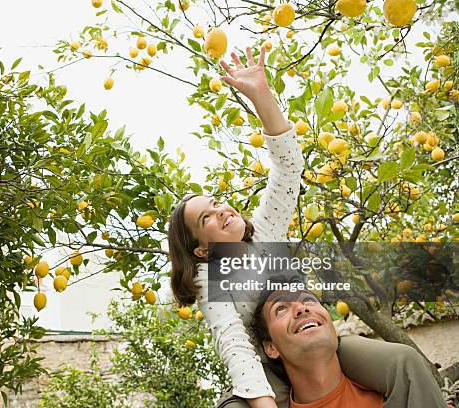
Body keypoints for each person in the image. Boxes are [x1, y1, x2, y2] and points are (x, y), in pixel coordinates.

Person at [167, 45, 447, 408]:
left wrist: (261, 95)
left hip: (310, 337)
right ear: (202, 249)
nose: (221, 211)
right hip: (265, 363)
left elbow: (287, 168)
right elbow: (233, 341)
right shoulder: (210, 280)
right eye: (206, 217)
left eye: (217, 202)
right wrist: (263, 402)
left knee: (404, 363)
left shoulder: (266, 232)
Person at [250, 284, 447, 407]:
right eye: (281, 308)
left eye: (308, 300)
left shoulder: (405, 393)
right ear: (271, 348)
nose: (301, 308)